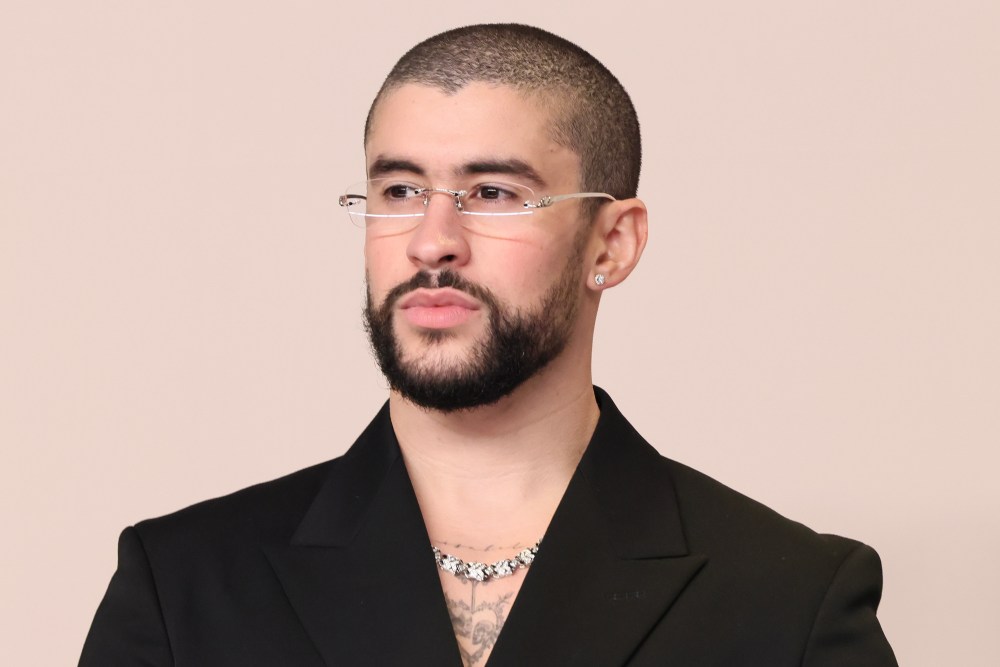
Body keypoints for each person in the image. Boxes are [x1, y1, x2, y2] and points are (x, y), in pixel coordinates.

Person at [80, 24, 897, 666]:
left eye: (493, 193)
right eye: (399, 190)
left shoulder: (787, 600)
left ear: (611, 243)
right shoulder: (184, 585)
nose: (432, 240)